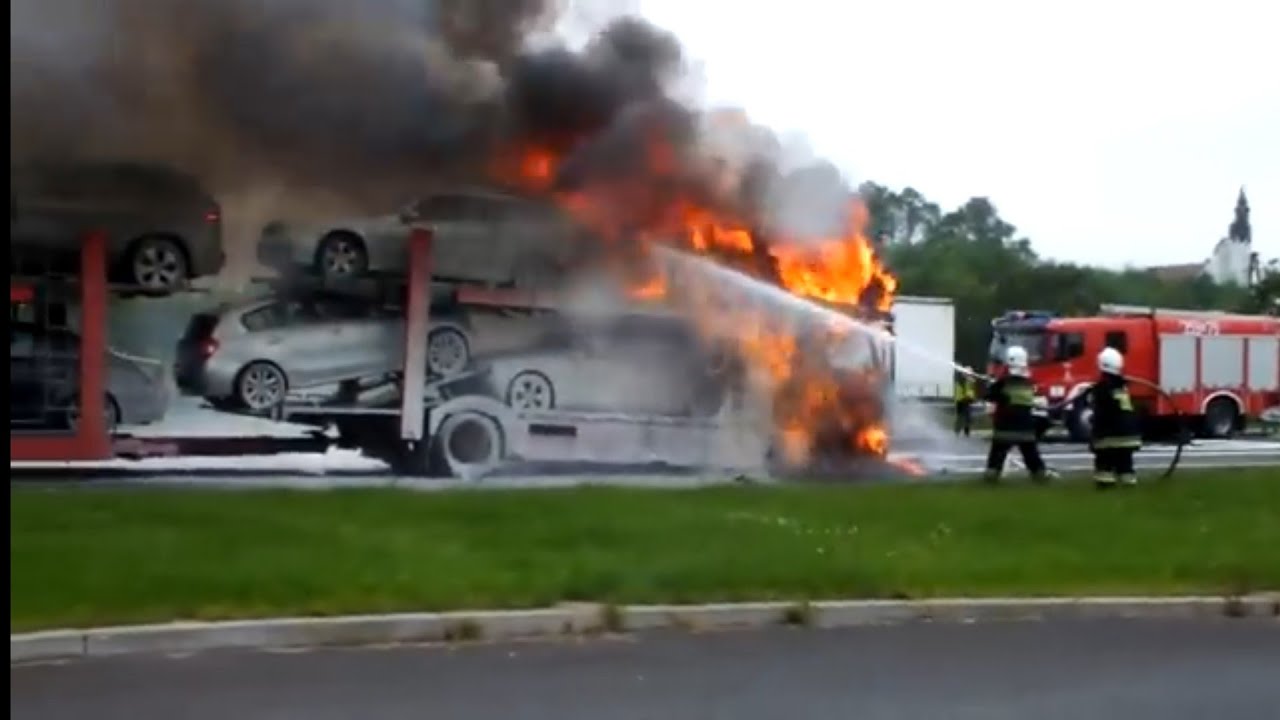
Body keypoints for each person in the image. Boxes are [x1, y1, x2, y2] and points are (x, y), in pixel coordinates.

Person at [980, 346, 1048, 483]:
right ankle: (1040, 474)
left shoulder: (1002, 383)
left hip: (1005, 428)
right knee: (1031, 455)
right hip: (1025, 428)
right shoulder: (1028, 383)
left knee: (997, 454)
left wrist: (991, 385)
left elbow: (989, 396)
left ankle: (991, 476)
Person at [1085, 347, 1142, 489]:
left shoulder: (1101, 388)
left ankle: (1105, 486)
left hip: (1110, 436)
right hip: (1130, 436)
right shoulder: (1123, 387)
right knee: (1125, 465)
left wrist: (1094, 437)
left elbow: (1100, 415)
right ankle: (1129, 485)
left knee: (1104, 463)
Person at [954, 371, 976, 437]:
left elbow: (971, 392)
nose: (970, 375)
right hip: (961, 402)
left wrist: (971, 398)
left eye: (970, 374)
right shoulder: (960, 382)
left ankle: (966, 432)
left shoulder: (969, 382)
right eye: (968, 374)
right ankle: (957, 431)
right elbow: (959, 393)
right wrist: (966, 398)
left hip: (967, 402)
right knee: (961, 417)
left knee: (967, 417)